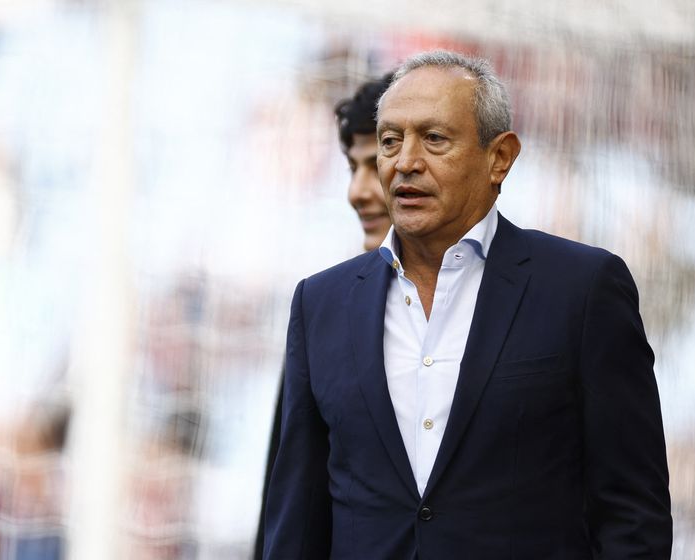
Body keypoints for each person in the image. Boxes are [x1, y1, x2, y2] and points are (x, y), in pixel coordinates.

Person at [263, 50, 672, 559]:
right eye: (391, 140)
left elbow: (633, 513)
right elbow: (295, 520)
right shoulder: (319, 304)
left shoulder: (582, 289)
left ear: (499, 157)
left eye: (434, 139)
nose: (405, 162)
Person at [253, 73, 393, 560]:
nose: (357, 192)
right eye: (353, 168)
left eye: (377, 166)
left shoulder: (524, 304)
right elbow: (288, 513)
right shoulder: (322, 315)